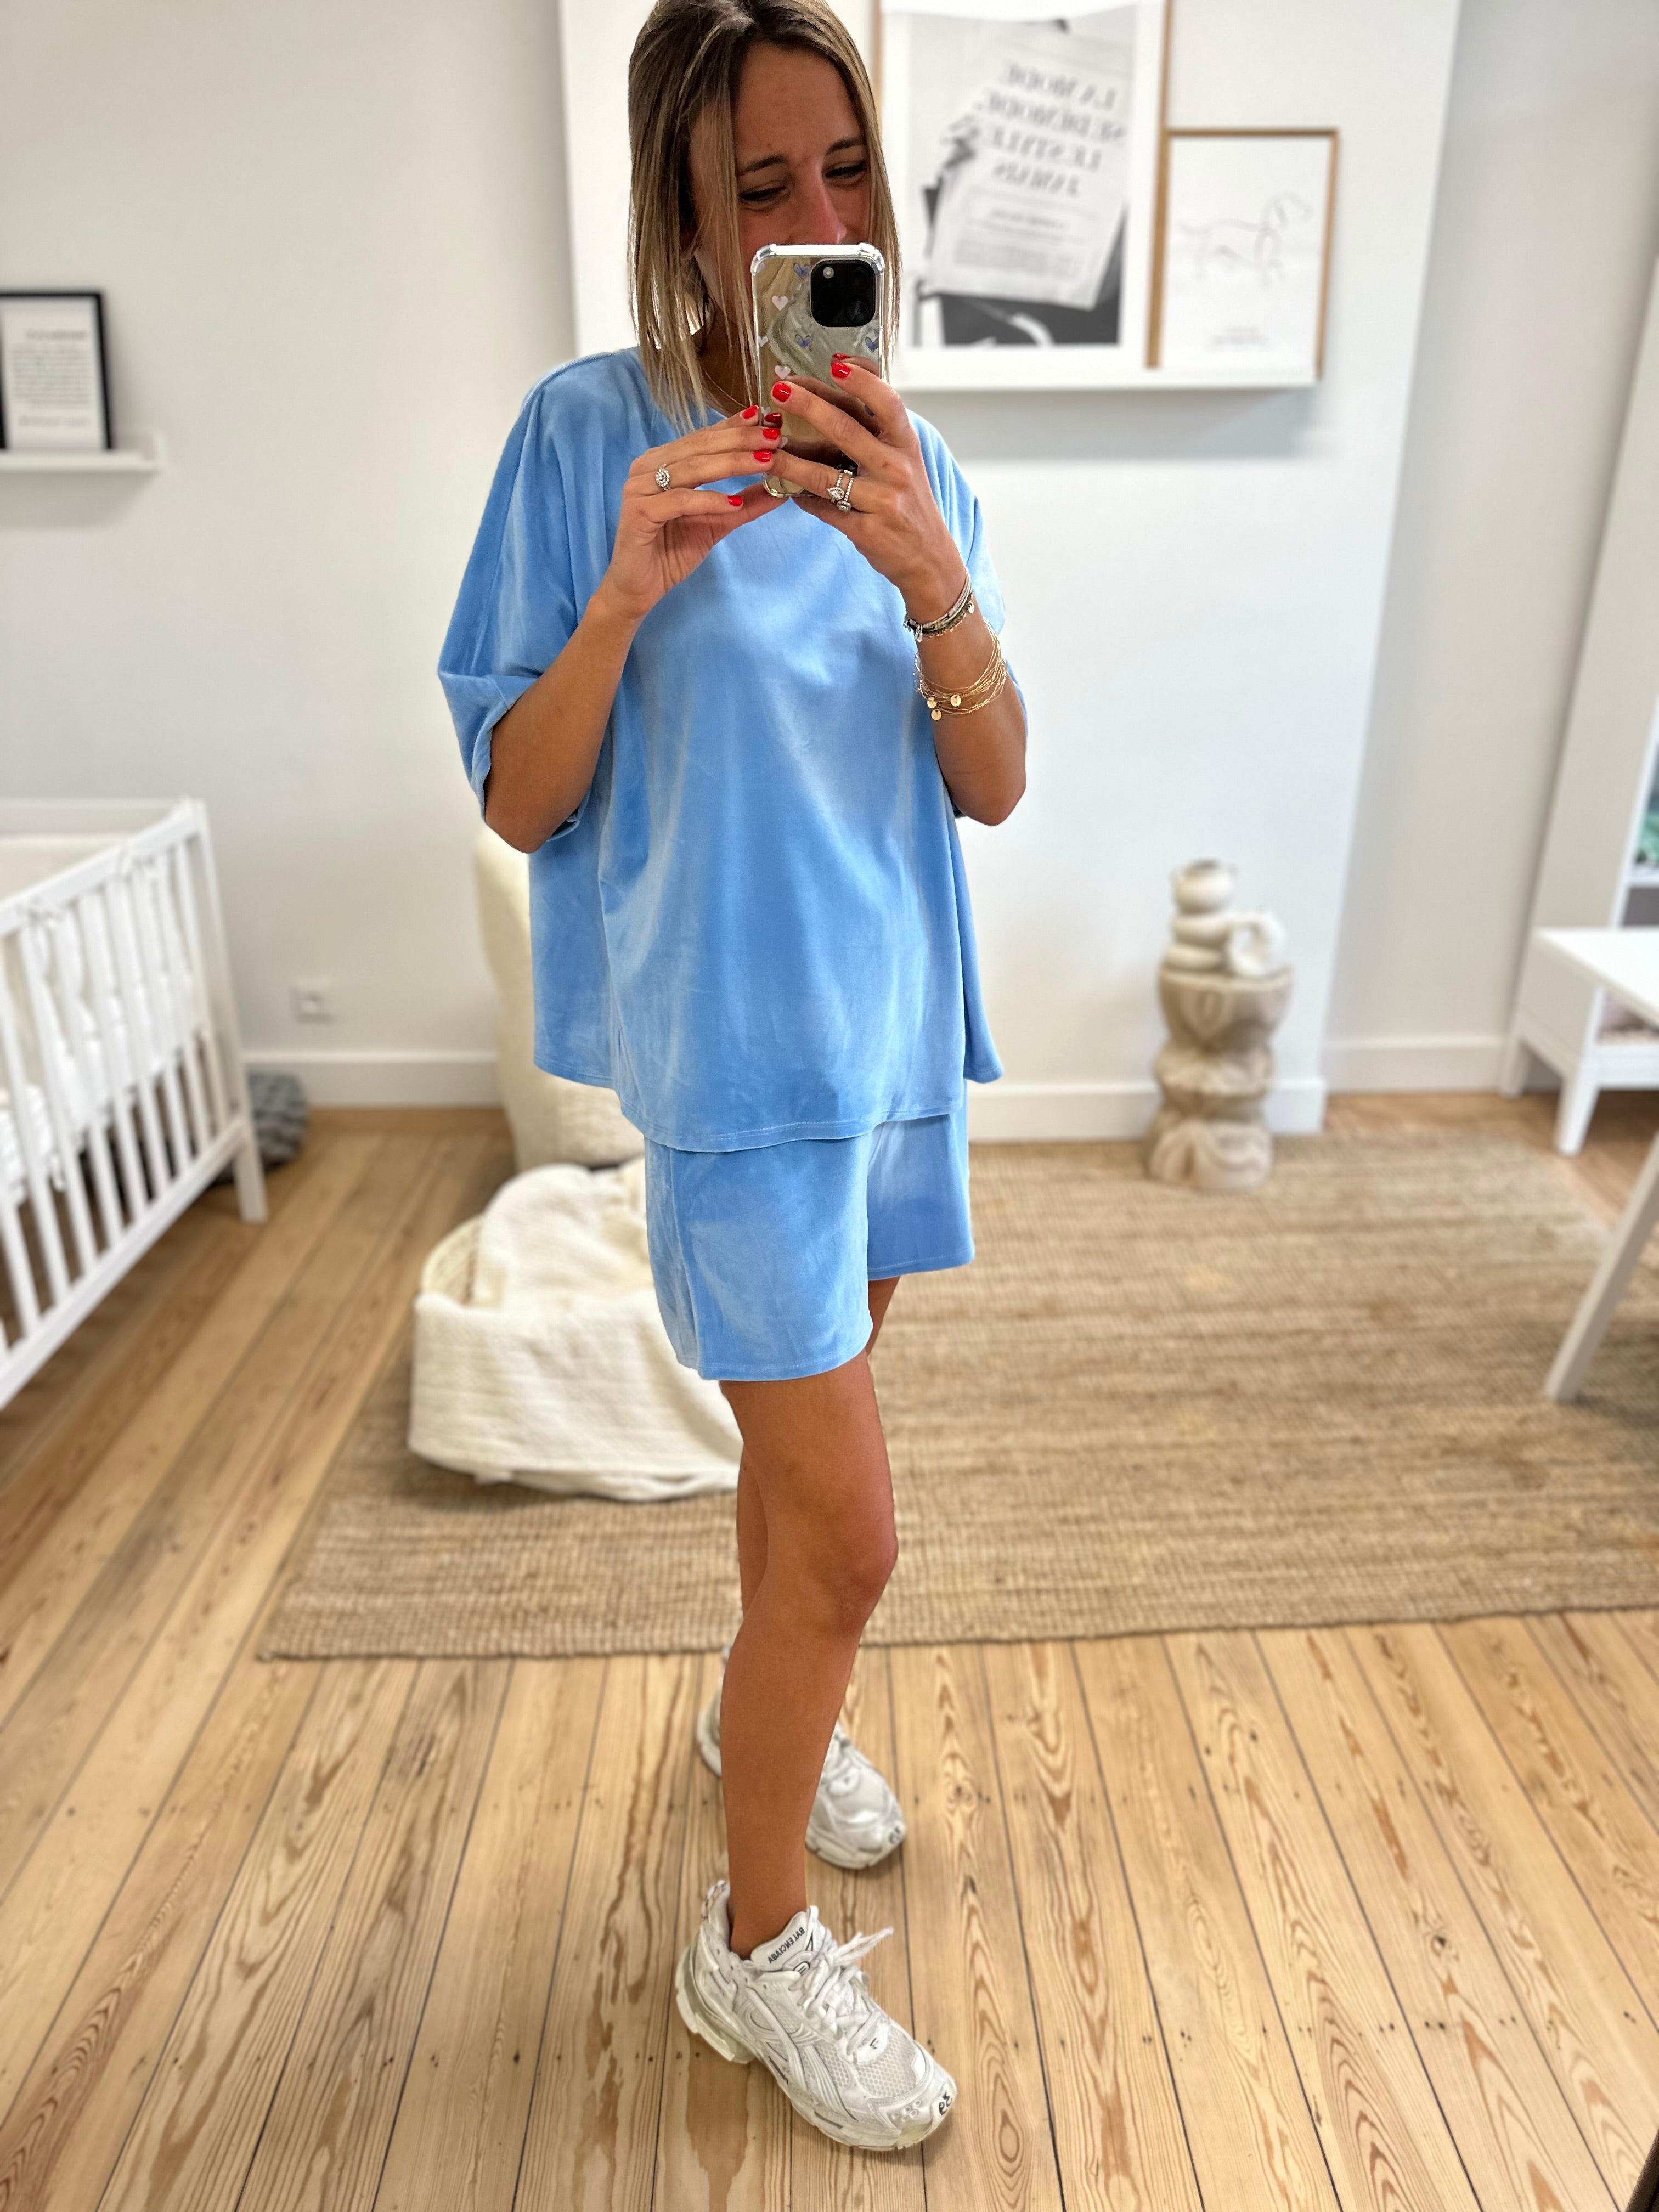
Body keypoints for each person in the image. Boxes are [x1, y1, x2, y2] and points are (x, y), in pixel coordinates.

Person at [438, 0, 1025, 2156]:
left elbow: (992, 782)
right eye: (758, 187)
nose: (814, 219)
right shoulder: (586, 437)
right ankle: (753, 1939)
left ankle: (759, 1713)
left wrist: (933, 577)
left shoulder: (917, 465)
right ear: (682, 223)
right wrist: (622, 599)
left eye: (844, 171)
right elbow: (519, 792)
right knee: (855, 1539)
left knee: (802, 1492)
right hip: (738, 1071)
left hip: (892, 1051)